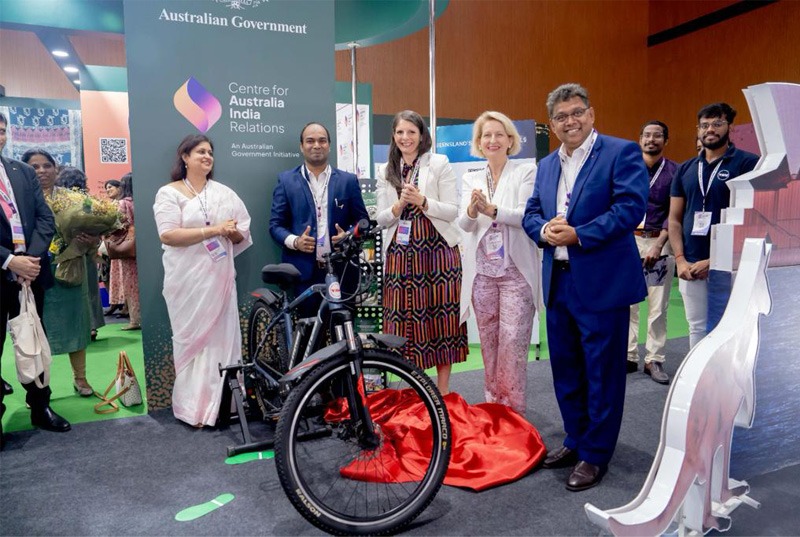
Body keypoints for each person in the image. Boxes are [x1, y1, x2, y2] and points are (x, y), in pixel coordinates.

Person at [522, 84, 648, 491]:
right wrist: (544, 229)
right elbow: (532, 213)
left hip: (602, 284)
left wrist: (579, 234)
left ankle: (596, 455)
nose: (570, 121)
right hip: (558, 282)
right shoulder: (545, 166)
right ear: (552, 124)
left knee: (602, 373)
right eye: (561, 117)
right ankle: (576, 439)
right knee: (566, 370)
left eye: (577, 112)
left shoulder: (620, 152)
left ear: (591, 114)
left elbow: (630, 209)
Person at [154, 134, 252, 427]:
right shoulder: (169, 193)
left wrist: (231, 232)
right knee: (194, 344)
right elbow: (168, 235)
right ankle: (194, 410)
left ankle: (226, 406)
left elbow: (242, 233)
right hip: (186, 283)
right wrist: (214, 231)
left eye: (210, 152)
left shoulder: (224, 193)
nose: (207, 157)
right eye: (200, 152)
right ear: (184, 157)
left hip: (220, 280)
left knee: (222, 341)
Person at [376, 110, 468, 395]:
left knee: (442, 319)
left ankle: (441, 392)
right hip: (401, 256)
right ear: (394, 136)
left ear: (422, 135)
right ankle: (416, 389)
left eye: (411, 132)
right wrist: (399, 206)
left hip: (438, 252)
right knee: (405, 322)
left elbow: (453, 210)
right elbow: (381, 218)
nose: (406, 138)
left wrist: (423, 201)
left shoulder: (439, 163)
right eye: (400, 132)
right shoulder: (385, 170)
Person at [458, 111, 540, 413]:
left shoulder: (525, 172)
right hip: (482, 275)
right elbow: (464, 225)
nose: (492, 140)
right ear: (479, 142)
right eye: (485, 135)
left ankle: (514, 411)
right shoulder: (471, 177)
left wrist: (491, 210)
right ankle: (493, 405)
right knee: (490, 345)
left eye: (498, 134)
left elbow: (524, 217)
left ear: (510, 140)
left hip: (516, 273)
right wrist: (470, 210)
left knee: (513, 345)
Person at [1, 113, 70, 448]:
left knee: (35, 342)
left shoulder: (22, 171)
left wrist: (31, 259)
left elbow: (45, 219)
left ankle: (40, 406)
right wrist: (8, 259)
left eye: (1, 131)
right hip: (6, 267)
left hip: (28, 276)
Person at [668, 103, 759, 349]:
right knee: (696, 327)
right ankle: (701, 385)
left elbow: (753, 220)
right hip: (690, 265)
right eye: (704, 125)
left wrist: (714, 260)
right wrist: (680, 260)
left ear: (730, 127)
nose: (710, 129)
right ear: (697, 130)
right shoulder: (686, 169)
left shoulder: (748, 164)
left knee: (732, 326)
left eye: (717, 124)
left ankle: (730, 385)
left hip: (731, 265)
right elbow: (674, 219)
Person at [269, 122, 368, 318]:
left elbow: (362, 221)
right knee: (308, 335)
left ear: (329, 145)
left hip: (342, 270)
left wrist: (347, 235)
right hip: (304, 273)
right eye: (310, 141)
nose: (316, 145)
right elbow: (275, 226)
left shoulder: (348, 181)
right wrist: (295, 242)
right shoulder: (287, 181)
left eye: (322, 140)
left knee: (343, 333)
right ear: (301, 146)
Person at [23, 150, 98, 397]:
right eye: (34, 167)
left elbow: (95, 228)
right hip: (33, 273)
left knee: (77, 325)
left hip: (72, 269)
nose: (42, 171)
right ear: (25, 171)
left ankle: (81, 379)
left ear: (57, 169)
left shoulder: (73, 199)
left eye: (47, 165)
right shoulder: (21, 199)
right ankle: (40, 387)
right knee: (36, 331)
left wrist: (91, 239)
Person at [627, 121, 678, 385]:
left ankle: (654, 359)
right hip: (630, 243)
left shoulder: (674, 172)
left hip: (660, 242)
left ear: (665, 141)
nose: (651, 139)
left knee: (658, 306)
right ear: (640, 139)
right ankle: (629, 355)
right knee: (629, 304)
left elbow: (675, 213)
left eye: (657, 135)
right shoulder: (628, 169)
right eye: (646, 135)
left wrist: (659, 244)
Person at [56, 166, 106, 340]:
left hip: (66, 251)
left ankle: (71, 326)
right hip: (87, 250)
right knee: (90, 288)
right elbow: (97, 226)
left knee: (68, 288)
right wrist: (92, 238)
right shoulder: (87, 201)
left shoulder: (58, 200)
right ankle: (91, 326)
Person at [108, 173, 140, 330]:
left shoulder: (122, 203)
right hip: (144, 246)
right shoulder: (142, 201)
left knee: (131, 283)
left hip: (129, 247)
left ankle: (135, 320)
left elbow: (117, 225)